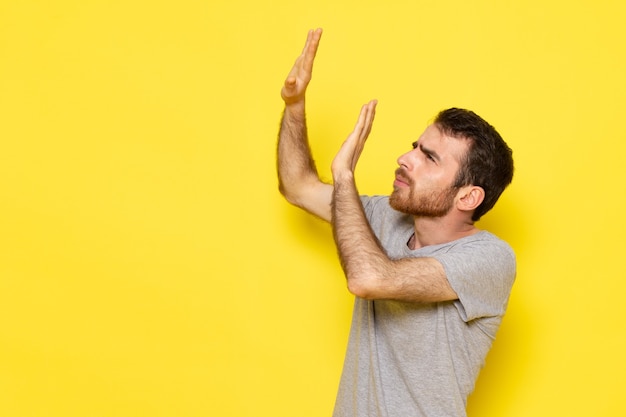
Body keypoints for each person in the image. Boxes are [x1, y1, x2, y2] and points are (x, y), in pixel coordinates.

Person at [277, 28, 516, 417]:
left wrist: (344, 177)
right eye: (415, 147)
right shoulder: (384, 218)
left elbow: (370, 280)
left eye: (430, 158)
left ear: (468, 197)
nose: (406, 158)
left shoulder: (489, 259)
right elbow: (298, 187)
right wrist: (294, 104)